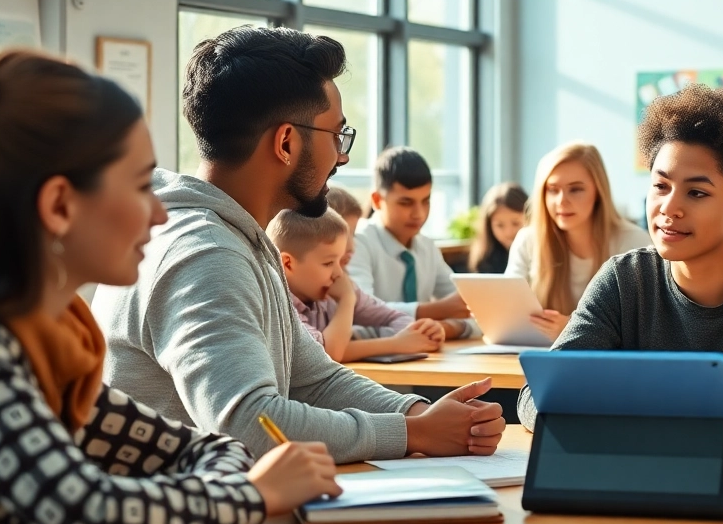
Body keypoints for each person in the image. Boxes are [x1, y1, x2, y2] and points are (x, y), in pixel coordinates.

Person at [95, 26, 504, 464]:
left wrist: (421, 413)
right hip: (180, 519)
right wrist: (412, 433)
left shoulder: (234, 236)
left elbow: (316, 380)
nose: (342, 157)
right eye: (337, 136)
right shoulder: (206, 253)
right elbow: (248, 423)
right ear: (287, 142)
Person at [0, 49, 339, 524]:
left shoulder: (52, 344)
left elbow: (206, 447)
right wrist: (255, 493)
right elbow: (89, 515)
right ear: (60, 206)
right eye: (139, 187)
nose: (158, 214)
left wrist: (238, 482)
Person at [516, 84, 723, 450]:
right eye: (660, 186)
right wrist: (592, 422)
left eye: (696, 193)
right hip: (645, 474)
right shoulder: (622, 280)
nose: (669, 207)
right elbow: (536, 394)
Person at [506, 143, 650, 341]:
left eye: (575, 189)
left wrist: (576, 330)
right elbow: (504, 315)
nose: (562, 201)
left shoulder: (634, 243)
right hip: (535, 354)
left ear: (598, 192)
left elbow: (644, 329)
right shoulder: (528, 240)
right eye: (552, 190)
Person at [268, 207, 444, 362]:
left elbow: (394, 318)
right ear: (288, 263)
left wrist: (424, 333)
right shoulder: (279, 306)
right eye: (329, 263)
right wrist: (347, 300)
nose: (339, 273)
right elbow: (327, 354)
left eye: (341, 261)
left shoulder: (332, 287)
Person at [348, 147, 478, 340]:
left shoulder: (427, 247)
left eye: (426, 201)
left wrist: (445, 328)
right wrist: (437, 310)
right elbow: (359, 312)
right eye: (406, 203)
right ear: (377, 200)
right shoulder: (356, 243)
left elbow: (473, 312)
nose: (419, 213)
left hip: (422, 355)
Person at [468, 182, 528, 274]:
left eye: (516, 223)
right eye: (499, 225)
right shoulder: (485, 258)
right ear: (488, 226)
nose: (509, 232)